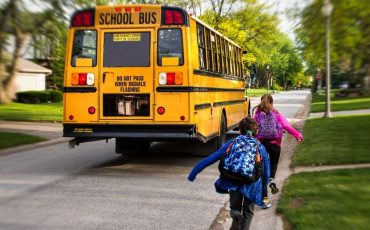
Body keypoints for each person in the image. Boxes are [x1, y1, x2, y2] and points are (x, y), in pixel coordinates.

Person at [188, 117, 270, 230]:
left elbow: (212, 158)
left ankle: (236, 215)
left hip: (233, 180)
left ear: (240, 130)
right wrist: (263, 187)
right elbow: (266, 172)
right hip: (252, 184)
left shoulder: (232, 143)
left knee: (235, 208)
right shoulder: (260, 147)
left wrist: (194, 173)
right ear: (255, 131)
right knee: (248, 212)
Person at [252, 94, 303, 208]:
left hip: (262, 146)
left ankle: (264, 201)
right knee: (273, 164)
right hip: (275, 145)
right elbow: (287, 126)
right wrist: (297, 135)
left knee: (262, 172)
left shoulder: (257, 115)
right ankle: (272, 180)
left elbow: (252, 130)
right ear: (272, 102)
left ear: (261, 102)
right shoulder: (277, 114)